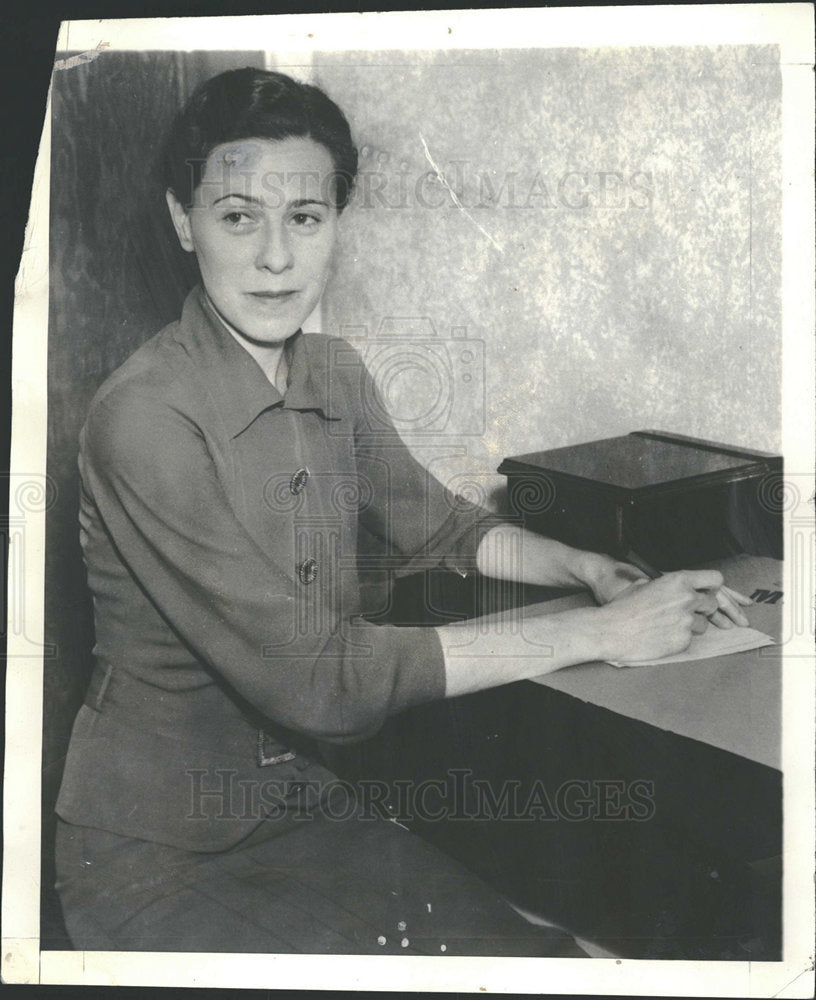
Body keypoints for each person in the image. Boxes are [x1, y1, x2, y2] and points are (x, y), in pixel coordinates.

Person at [54, 67, 751, 956]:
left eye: (305, 217)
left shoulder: (335, 373)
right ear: (181, 222)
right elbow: (320, 678)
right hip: (159, 852)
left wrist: (587, 570)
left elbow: (441, 526)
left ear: (335, 223)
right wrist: (596, 635)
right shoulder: (143, 417)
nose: (276, 256)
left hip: (312, 807)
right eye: (238, 216)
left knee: (541, 957)